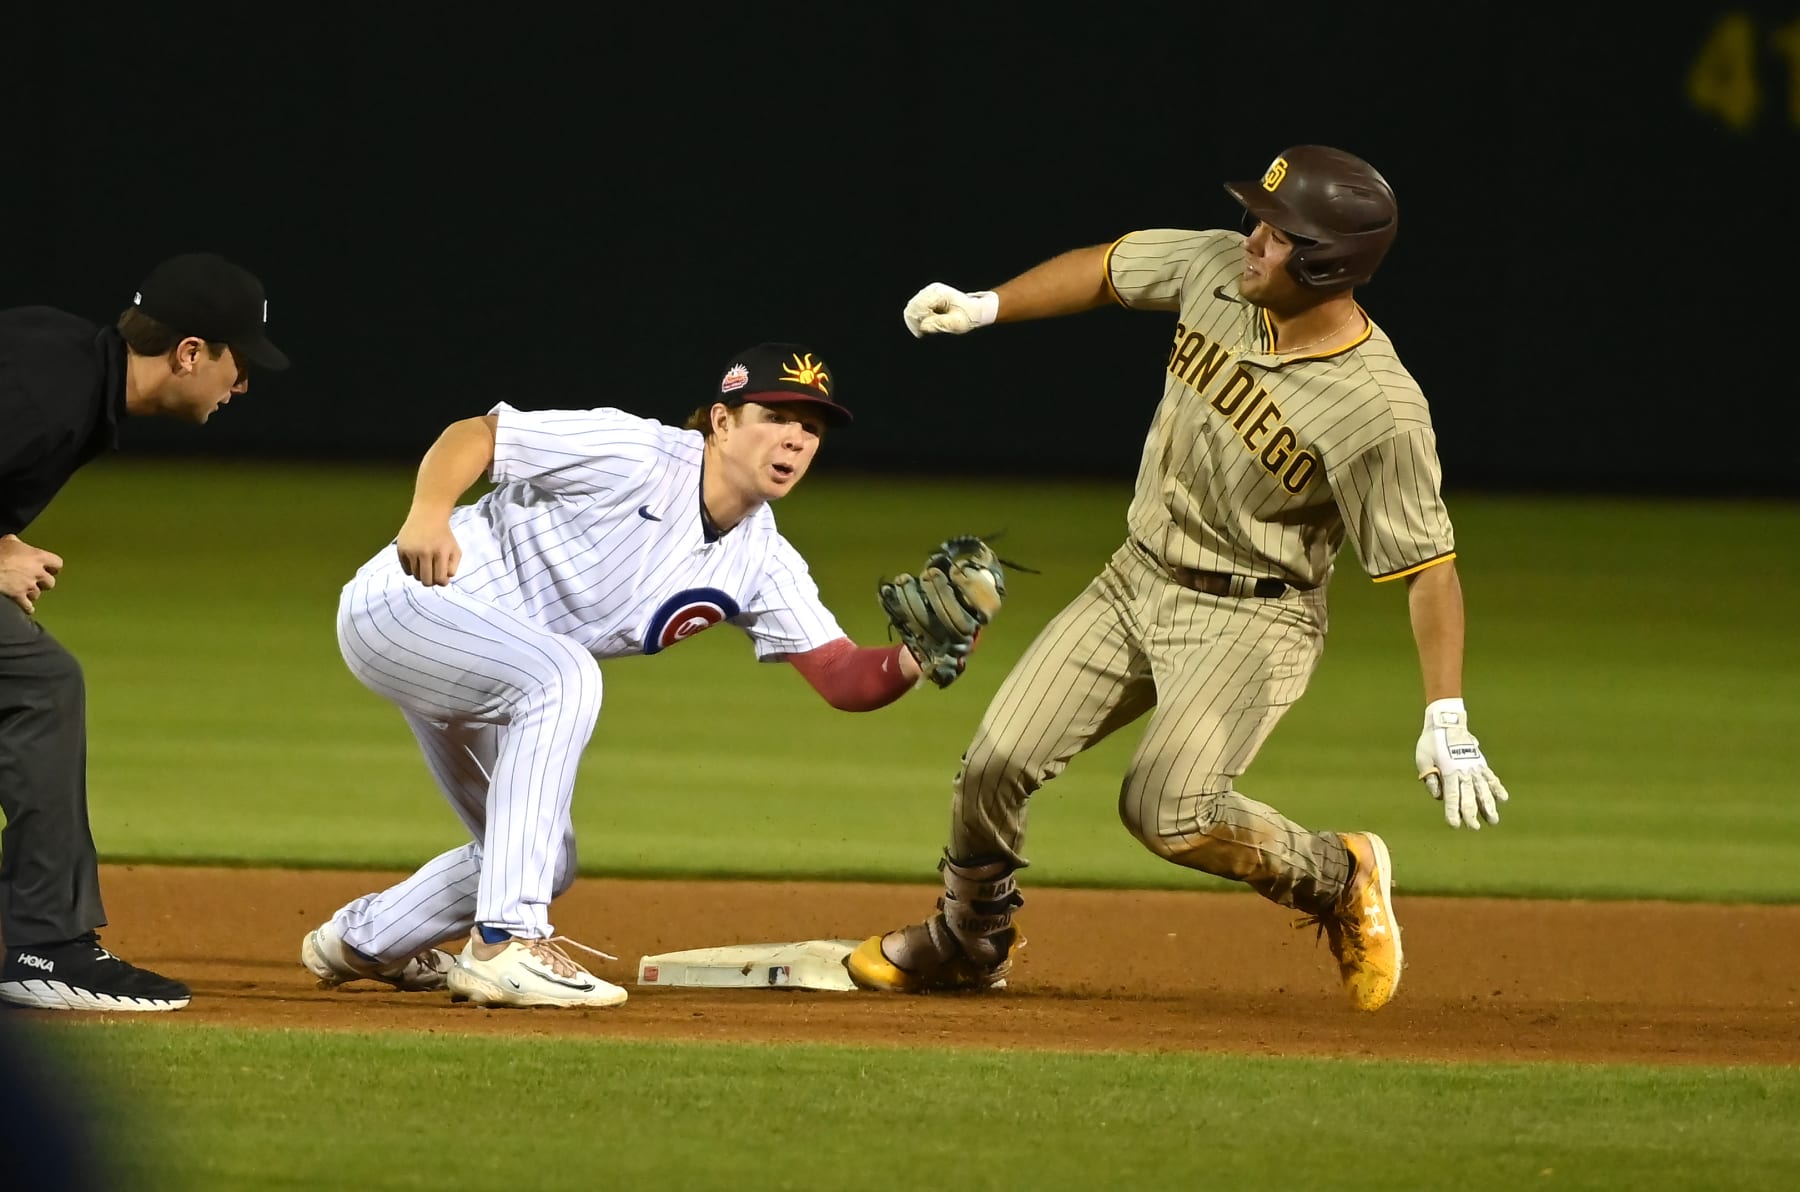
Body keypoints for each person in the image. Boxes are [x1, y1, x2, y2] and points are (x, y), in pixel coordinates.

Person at [846, 145, 1511, 1011]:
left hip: (1254, 617)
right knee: (993, 764)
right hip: (1135, 578)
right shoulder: (1219, 271)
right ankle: (968, 941)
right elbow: (1112, 269)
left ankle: (1338, 876)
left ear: (1328, 263)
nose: (1252, 241)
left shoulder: (1379, 409)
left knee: (1168, 809)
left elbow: (1429, 567)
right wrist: (986, 307)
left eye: (1277, 235)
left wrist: (1445, 712)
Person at [306, 342, 964, 1008]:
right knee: (566, 676)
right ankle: (506, 944)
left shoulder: (764, 557)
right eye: (776, 416)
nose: (795, 438)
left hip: (494, 673)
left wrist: (918, 653)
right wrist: (427, 514)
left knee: (537, 857)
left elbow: (843, 676)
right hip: (408, 602)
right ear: (723, 422)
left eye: (812, 428)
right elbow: (478, 435)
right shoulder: (639, 453)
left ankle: (362, 940)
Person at [0, 252, 289, 1011]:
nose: (245, 384)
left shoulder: (61, 361)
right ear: (189, 353)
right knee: (40, 683)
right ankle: (50, 948)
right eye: (238, 362)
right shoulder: (52, 397)